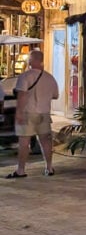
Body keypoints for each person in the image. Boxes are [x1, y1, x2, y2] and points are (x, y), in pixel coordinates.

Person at [6, 50, 59, 178]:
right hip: (44, 113)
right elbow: (55, 95)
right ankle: (49, 167)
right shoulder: (50, 77)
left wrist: (18, 113)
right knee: (46, 141)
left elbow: (22, 95)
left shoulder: (25, 76)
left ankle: (21, 170)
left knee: (24, 142)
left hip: (28, 113)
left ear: (30, 61)